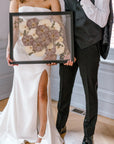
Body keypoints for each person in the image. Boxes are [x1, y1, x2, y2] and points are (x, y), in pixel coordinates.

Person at [0, 0, 71, 144]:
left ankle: (42, 134)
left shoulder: (53, 1)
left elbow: (59, 27)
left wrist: (63, 52)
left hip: (44, 51)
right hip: (22, 50)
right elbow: (14, 27)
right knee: (23, 92)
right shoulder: (16, 1)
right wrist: (9, 49)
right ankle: (23, 128)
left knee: (42, 93)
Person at [56, 0, 113, 144]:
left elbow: (102, 21)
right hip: (68, 44)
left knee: (90, 90)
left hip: (90, 44)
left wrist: (84, 1)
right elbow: (61, 18)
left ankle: (89, 134)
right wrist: (64, 47)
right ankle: (60, 125)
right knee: (64, 89)